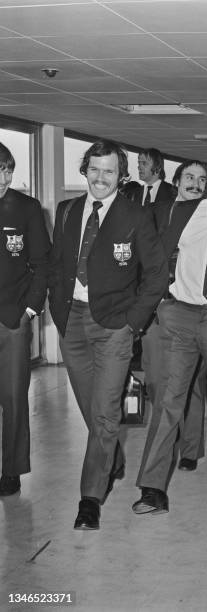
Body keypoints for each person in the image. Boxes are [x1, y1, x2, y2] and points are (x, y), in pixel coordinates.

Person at [49, 139, 168, 530]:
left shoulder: (136, 215)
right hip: (72, 323)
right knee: (92, 411)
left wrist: (133, 323)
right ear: (85, 170)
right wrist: (56, 308)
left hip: (114, 325)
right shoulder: (67, 212)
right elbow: (56, 264)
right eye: (95, 169)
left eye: (110, 171)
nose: (101, 178)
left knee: (104, 411)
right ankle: (111, 457)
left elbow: (156, 276)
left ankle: (90, 498)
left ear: (122, 175)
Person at [133, 153, 207, 513]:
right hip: (179, 315)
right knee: (168, 400)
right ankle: (152, 486)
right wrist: (160, 303)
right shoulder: (182, 212)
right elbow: (156, 260)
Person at [140, 160, 207, 472]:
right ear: (177, 180)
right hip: (158, 308)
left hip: (194, 310)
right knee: (158, 382)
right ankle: (167, 440)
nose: (195, 184)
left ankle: (190, 450)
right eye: (189, 177)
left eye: (201, 179)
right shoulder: (156, 213)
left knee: (192, 381)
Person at [0, 142, 51, 497]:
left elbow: (44, 264)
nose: (3, 176)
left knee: (14, 397)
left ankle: (12, 470)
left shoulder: (27, 208)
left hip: (11, 317)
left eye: (7, 169)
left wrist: (30, 309)